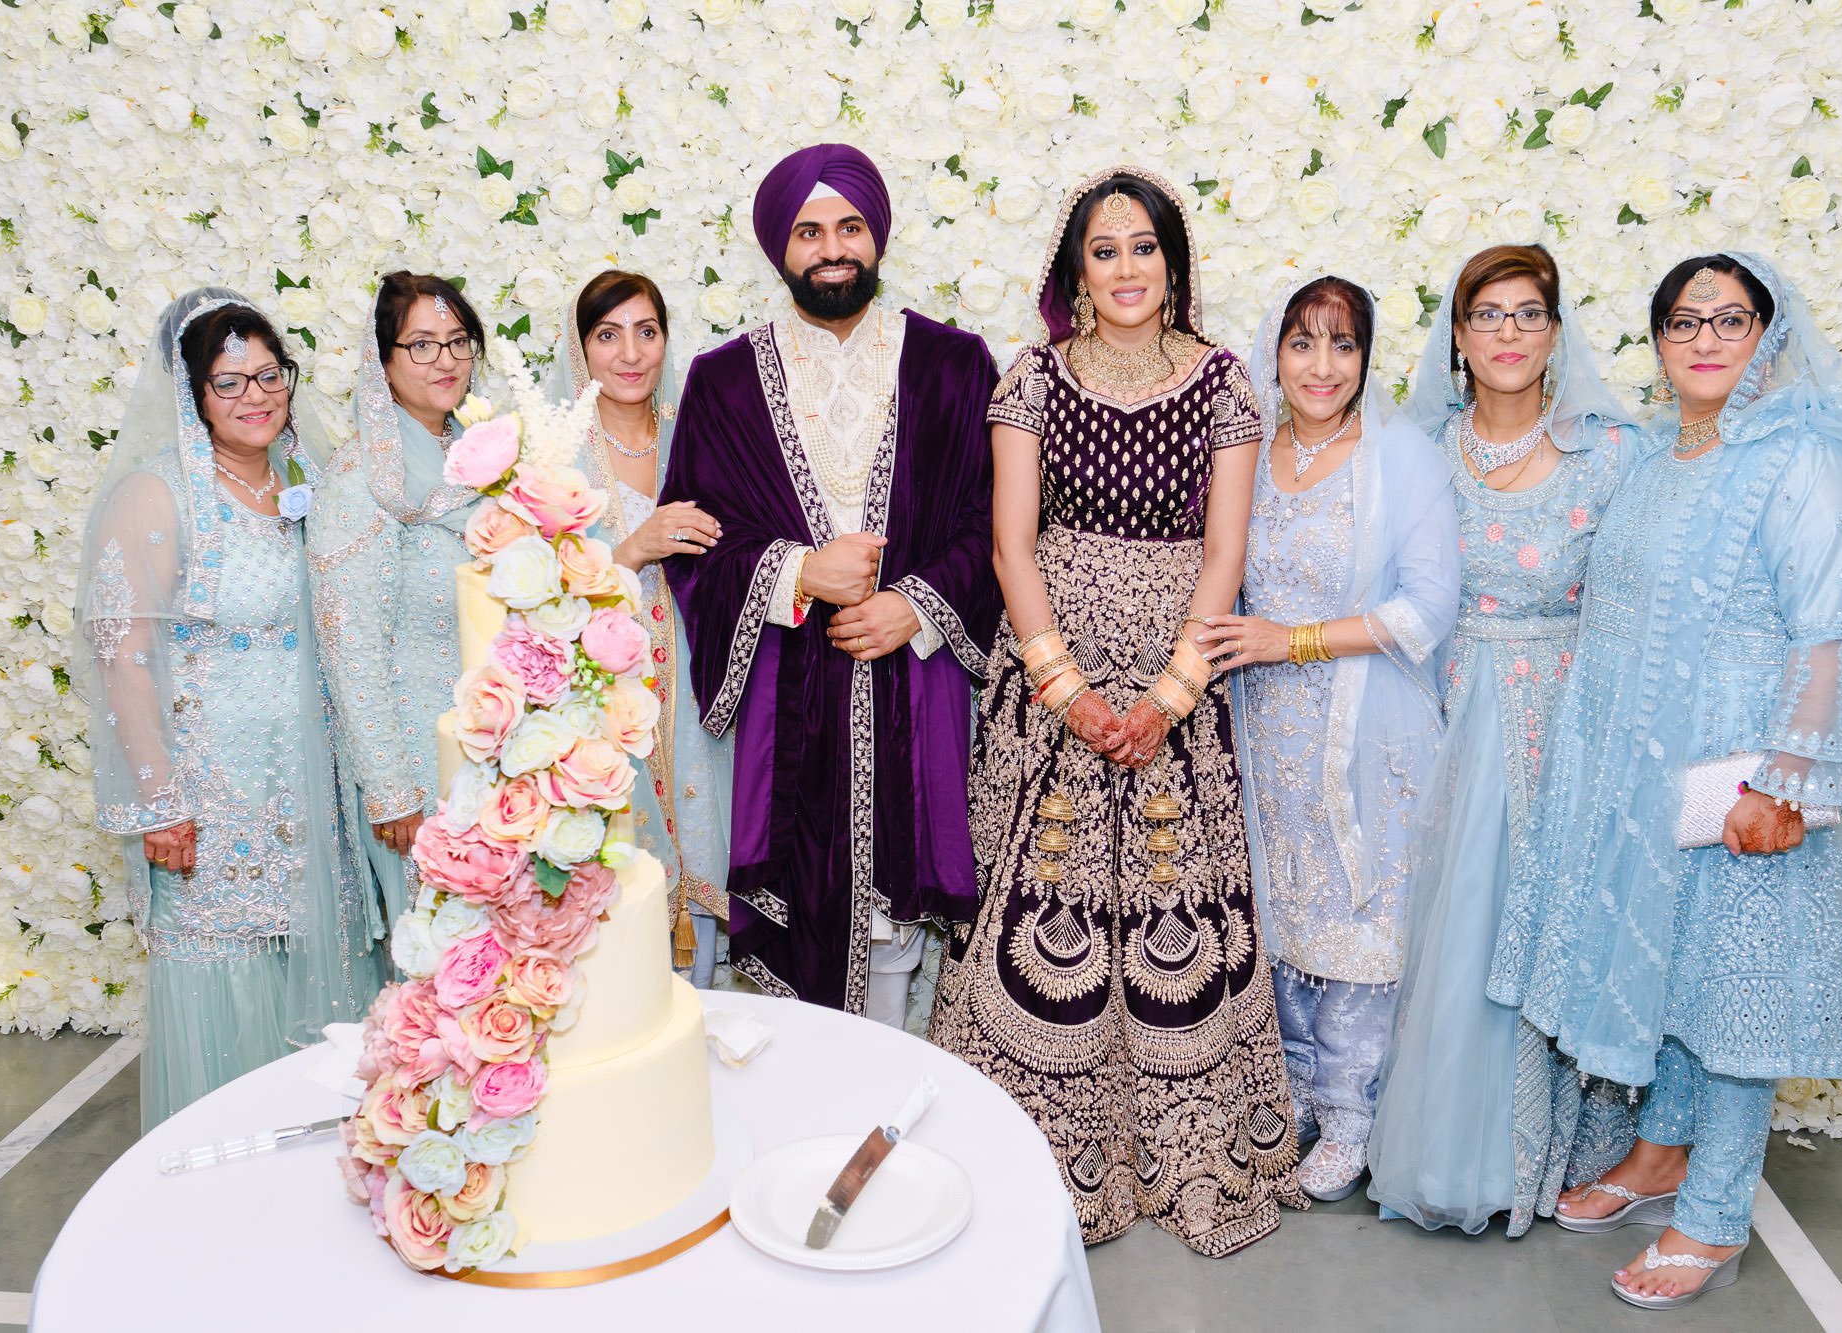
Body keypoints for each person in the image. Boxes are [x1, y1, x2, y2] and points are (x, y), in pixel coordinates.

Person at [1489, 254, 1842, 1308]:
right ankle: (1659, 1153)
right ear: (1658, 341)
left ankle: (1715, 1211)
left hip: (1743, 770)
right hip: (1646, 767)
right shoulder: (1663, 459)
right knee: (1673, 973)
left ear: (1766, 336)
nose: (1706, 340)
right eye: (1683, 321)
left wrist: (1780, 780)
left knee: (1732, 992)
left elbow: (1828, 636)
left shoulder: (1798, 460)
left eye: (1730, 320)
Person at [931, 167, 1305, 1255]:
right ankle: (1031, 1152)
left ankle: (1177, 1153)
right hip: (1052, 680)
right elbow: (1009, 543)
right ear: (1075, 271)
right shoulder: (1031, 381)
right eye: (1105, 250)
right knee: (1038, 905)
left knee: (1166, 914)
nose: (1127, 269)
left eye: (1144, 248)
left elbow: (1225, 550)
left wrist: (1169, 698)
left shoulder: (1223, 385)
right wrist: (1068, 689)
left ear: (1172, 265)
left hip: (1174, 683)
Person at [660, 144, 1000, 1023]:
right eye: (808, 231)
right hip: (791, 702)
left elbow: (992, 522)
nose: (832, 248)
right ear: (780, 249)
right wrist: (795, 572)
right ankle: (811, 1133)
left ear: (877, 236)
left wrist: (912, 606)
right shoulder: (724, 381)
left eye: (849, 226)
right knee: (800, 942)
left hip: (914, 689)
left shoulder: (952, 365)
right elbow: (695, 541)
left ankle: (880, 1126)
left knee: (897, 932)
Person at [1366, 244, 1638, 1236]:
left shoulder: (1610, 454)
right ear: (1457, 337)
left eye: (1529, 314)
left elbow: (1640, 603)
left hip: (1571, 714)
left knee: (1560, 922)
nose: (1509, 334)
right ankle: (1457, 1150)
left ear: (1555, 334)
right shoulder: (1415, 451)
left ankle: (1564, 1148)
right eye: (1488, 314)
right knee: (1458, 924)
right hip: (1444, 712)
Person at [75, 289, 379, 1130]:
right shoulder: (159, 494)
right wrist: (160, 800)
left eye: (267, 373)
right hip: (215, 793)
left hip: (316, 785)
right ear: (193, 395)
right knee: (229, 966)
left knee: (323, 957)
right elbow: (123, 654)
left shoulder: (309, 476)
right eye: (228, 381)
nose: (256, 395)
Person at [1197, 274, 1459, 1202]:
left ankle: (1354, 1111)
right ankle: (1298, 1087)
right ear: (1274, 351)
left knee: (1358, 915)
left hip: (1368, 725)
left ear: (1366, 358)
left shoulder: (1400, 456)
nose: (1321, 365)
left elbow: (1429, 606)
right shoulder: (1249, 451)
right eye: (1302, 343)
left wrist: (1289, 640)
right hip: (1263, 723)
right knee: (1284, 903)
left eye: (1342, 345)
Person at [545, 270, 731, 987]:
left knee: (707, 890)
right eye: (608, 334)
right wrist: (630, 551)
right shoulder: (555, 463)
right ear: (580, 347)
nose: (630, 353)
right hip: (601, 705)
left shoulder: (702, 441)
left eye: (646, 332)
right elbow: (530, 606)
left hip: (698, 698)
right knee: (618, 921)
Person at [308, 272, 488, 931]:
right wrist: (390, 792)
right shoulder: (364, 478)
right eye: (420, 344)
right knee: (442, 956)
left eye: (457, 340)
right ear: (382, 362)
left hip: (493, 751)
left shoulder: (478, 463)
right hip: (417, 772)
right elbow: (348, 641)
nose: (445, 360)